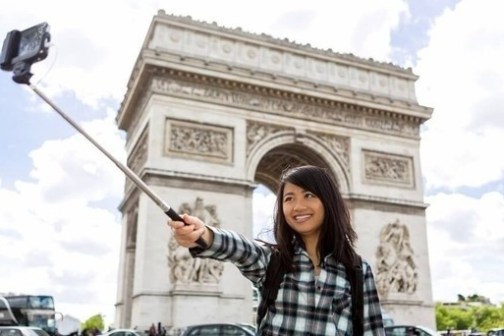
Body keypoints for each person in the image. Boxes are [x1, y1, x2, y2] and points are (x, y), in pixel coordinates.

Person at [170, 165, 385, 335]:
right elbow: (242, 249)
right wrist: (204, 234)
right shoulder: (272, 263)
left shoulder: (357, 271)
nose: (298, 206)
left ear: (328, 201)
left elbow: (372, 331)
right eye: (289, 198)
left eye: (309, 195)